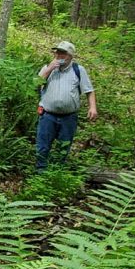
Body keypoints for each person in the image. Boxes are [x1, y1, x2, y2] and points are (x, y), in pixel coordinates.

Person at [35, 41, 97, 171]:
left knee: (63, 147)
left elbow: (89, 91)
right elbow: (36, 84)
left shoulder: (78, 70)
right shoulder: (47, 68)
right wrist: (50, 68)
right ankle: (40, 174)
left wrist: (92, 107)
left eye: (63, 53)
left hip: (68, 117)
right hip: (47, 115)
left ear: (70, 56)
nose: (59, 55)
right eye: (57, 52)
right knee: (42, 146)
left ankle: (57, 173)